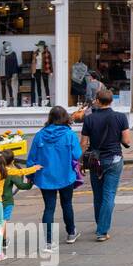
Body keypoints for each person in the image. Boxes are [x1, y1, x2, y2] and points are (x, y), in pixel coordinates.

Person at [25, 105, 82, 248]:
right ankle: (70, 233)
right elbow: (77, 155)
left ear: (50, 117)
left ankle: (48, 240)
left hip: (45, 177)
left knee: (49, 208)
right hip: (65, 175)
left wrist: (30, 175)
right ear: (65, 117)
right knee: (67, 204)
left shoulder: (39, 135)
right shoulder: (69, 135)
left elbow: (32, 158)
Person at [80, 88, 130, 242]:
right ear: (111, 101)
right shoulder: (121, 117)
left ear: (97, 100)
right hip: (114, 159)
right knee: (109, 195)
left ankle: (100, 224)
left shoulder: (89, 119)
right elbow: (127, 141)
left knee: (98, 195)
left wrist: (80, 160)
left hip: (96, 160)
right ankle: (102, 231)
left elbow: (83, 143)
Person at [0, 148, 32, 250]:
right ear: (12, 161)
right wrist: (30, 183)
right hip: (7, 201)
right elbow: (21, 186)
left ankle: (3, 241)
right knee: (3, 221)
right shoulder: (11, 173)